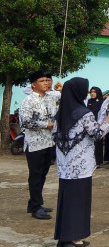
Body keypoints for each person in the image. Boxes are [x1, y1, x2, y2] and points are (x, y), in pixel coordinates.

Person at [53, 77, 109, 247]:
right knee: (79, 202)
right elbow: (96, 134)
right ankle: (73, 238)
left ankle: (64, 236)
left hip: (65, 165)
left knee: (67, 200)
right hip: (80, 165)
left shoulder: (60, 113)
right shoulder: (84, 113)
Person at [19, 70, 62, 220]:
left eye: (48, 80)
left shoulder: (51, 97)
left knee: (43, 175)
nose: (47, 83)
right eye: (42, 81)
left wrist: (62, 90)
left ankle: (34, 203)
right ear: (33, 84)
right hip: (35, 144)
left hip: (49, 142)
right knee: (35, 175)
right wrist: (46, 124)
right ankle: (36, 207)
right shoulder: (29, 100)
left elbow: (63, 100)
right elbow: (24, 122)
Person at [87, 86, 104, 167]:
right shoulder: (89, 101)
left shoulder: (101, 101)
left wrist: (99, 123)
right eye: (91, 92)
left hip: (97, 124)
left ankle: (98, 161)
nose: (92, 94)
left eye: (94, 92)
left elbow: (102, 114)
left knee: (98, 144)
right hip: (89, 124)